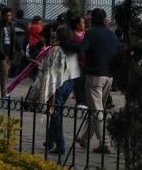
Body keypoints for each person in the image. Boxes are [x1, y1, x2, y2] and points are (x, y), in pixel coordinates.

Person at [76, 8, 120, 154]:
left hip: (94, 75)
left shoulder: (91, 33)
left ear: (92, 20)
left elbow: (81, 48)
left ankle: (105, 142)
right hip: (109, 76)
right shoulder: (112, 34)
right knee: (97, 108)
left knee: (97, 110)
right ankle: (84, 137)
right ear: (105, 19)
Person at [36, 25, 81, 156]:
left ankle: (60, 145)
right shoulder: (72, 48)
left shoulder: (55, 49)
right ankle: (50, 141)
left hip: (58, 83)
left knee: (56, 113)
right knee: (56, 111)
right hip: (70, 81)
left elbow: (49, 68)